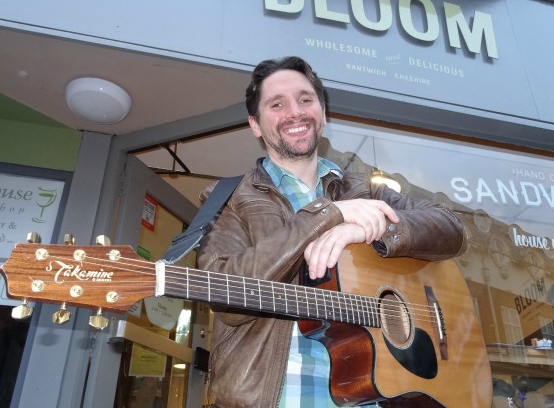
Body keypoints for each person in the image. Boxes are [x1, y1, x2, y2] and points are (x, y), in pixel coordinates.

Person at [196, 56, 467, 407]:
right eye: (277, 104)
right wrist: (328, 215)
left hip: (378, 398)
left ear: (323, 114)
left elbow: (451, 227)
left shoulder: (365, 190)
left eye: (305, 100)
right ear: (256, 125)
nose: (295, 112)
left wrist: (375, 229)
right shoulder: (228, 199)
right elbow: (224, 296)